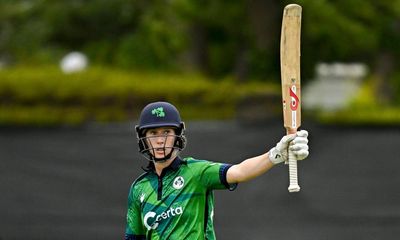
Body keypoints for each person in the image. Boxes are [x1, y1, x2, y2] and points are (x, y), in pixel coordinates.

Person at [124, 101, 309, 240]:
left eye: (166, 132)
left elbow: (240, 171)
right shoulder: (139, 189)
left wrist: (276, 154)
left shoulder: (196, 172)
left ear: (177, 136)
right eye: (153, 133)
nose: (159, 140)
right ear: (144, 138)